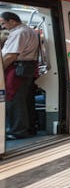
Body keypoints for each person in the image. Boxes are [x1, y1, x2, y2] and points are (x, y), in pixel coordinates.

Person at [2, 12, 39, 140]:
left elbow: (10, 55)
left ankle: (16, 131)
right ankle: (27, 128)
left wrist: (0, 70)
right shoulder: (28, 30)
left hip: (17, 69)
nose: (3, 26)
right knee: (24, 99)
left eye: (4, 23)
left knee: (14, 99)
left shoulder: (19, 33)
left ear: (12, 21)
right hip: (25, 69)